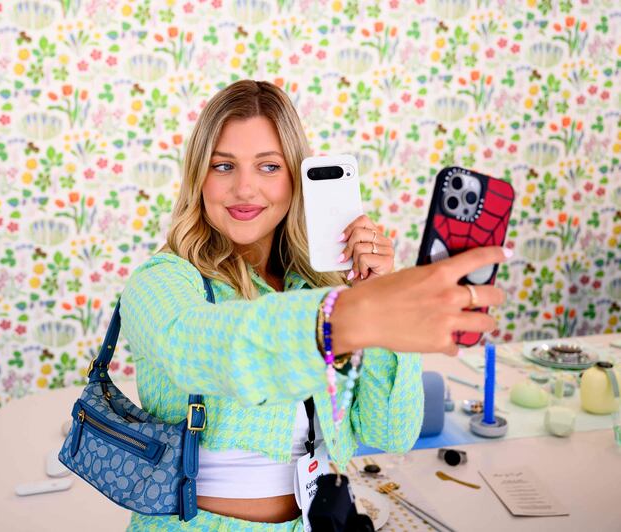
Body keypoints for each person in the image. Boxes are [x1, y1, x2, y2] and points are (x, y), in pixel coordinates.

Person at [120, 80, 507, 530]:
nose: (245, 188)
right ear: (197, 176)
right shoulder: (163, 280)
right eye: (223, 165)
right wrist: (347, 317)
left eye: (269, 167)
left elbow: (391, 432)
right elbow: (213, 348)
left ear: (297, 177)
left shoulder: (316, 286)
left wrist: (374, 293)